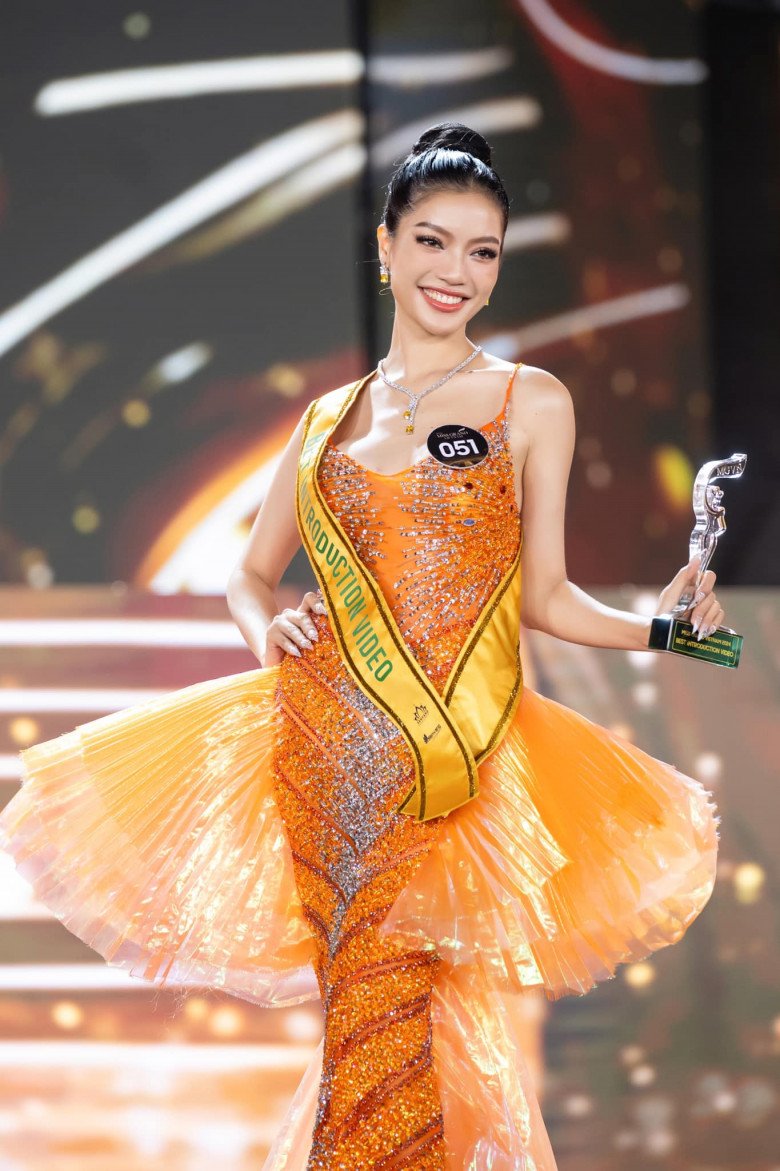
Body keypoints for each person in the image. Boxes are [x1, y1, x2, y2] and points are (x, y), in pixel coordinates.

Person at [0, 123, 723, 1170]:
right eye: (432, 241)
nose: (457, 271)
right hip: (324, 753)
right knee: (363, 1016)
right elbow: (248, 577)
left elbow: (548, 597)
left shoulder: (530, 400)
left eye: (483, 251)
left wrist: (669, 631)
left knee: (406, 1014)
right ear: (385, 247)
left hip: (448, 758)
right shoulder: (324, 422)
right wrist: (267, 630)